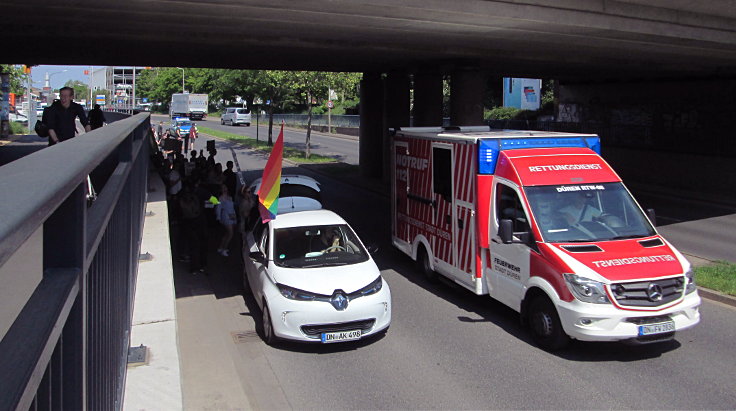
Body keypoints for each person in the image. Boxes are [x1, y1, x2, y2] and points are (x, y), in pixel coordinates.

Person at [215, 184, 237, 257]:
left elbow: (232, 207)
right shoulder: (221, 198)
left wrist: (234, 216)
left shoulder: (229, 197)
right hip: (226, 216)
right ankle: (224, 249)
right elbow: (218, 208)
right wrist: (218, 217)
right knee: (230, 233)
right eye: (223, 188)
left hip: (232, 215)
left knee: (227, 233)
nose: (225, 189)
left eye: (225, 187)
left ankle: (221, 247)